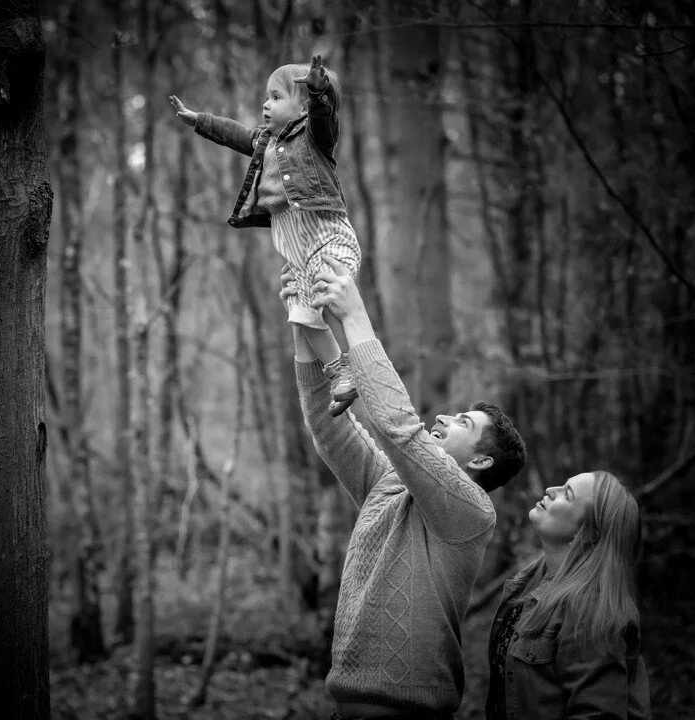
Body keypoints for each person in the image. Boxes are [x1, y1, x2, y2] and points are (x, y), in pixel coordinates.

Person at [286, 256, 528, 720]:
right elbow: (327, 423)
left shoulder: (471, 512)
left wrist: (355, 317)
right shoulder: (390, 486)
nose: (443, 418)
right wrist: (304, 320)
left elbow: (399, 429)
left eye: (463, 423)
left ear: (480, 460)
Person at [169, 54, 363, 416]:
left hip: (326, 237)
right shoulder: (266, 142)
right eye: (266, 97)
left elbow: (325, 121)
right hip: (297, 250)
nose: (265, 104)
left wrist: (319, 95)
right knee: (300, 315)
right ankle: (338, 373)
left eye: (276, 97)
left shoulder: (313, 137)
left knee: (318, 302)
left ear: (303, 106)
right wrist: (200, 121)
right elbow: (238, 135)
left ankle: (351, 363)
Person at [485, 470, 652, 719]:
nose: (551, 489)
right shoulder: (527, 582)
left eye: (567, 494)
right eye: (562, 485)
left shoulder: (590, 612)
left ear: (586, 534)